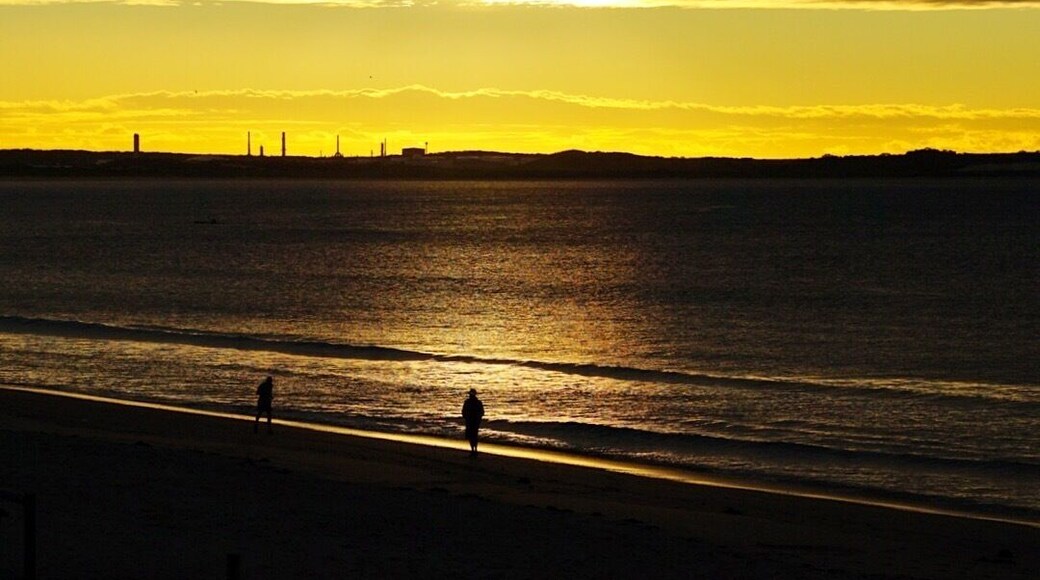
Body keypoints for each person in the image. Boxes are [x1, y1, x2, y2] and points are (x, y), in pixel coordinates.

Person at [461, 388, 485, 455]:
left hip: (472, 421)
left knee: (472, 436)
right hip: (473, 421)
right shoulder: (476, 402)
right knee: (473, 436)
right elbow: (482, 412)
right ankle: (474, 450)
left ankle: (473, 450)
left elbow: (482, 412)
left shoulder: (471, 402)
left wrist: (467, 417)